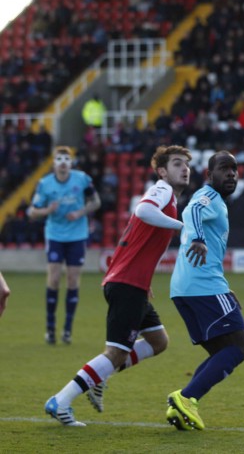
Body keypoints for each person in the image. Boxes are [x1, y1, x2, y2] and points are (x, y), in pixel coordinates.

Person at [44, 145, 191, 426]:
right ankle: (60, 401)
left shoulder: (169, 197)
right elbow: (143, 211)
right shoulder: (162, 190)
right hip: (126, 284)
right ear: (162, 171)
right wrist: (181, 225)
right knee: (115, 353)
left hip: (132, 283)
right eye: (176, 163)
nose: (184, 168)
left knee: (159, 341)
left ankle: (101, 376)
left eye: (186, 164)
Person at [165, 150, 244, 431]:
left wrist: (225, 288)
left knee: (223, 351)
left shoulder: (219, 203)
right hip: (202, 286)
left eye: (234, 169)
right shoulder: (209, 198)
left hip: (187, 288)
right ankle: (187, 396)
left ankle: (181, 404)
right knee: (239, 347)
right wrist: (199, 239)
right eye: (224, 169)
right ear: (209, 175)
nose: (231, 174)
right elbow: (193, 210)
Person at [29, 146, 101, 345]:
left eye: (66, 159)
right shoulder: (45, 184)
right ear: (54, 163)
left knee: (72, 280)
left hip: (77, 235)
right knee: (53, 279)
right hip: (55, 235)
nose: (62, 162)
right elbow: (32, 212)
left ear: (71, 163)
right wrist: (47, 210)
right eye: (59, 159)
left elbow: (96, 202)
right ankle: (50, 328)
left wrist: (80, 213)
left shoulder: (82, 179)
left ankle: (67, 330)